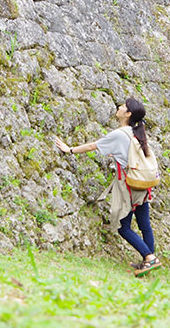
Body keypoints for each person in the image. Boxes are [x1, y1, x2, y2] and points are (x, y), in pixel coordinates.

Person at [53, 98, 161, 276]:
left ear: (128, 114)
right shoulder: (136, 132)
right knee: (144, 225)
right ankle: (148, 262)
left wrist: (69, 149)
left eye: (123, 106)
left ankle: (150, 258)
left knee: (123, 226)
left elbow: (92, 146)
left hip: (130, 185)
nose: (119, 107)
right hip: (144, 184)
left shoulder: (120, 134)